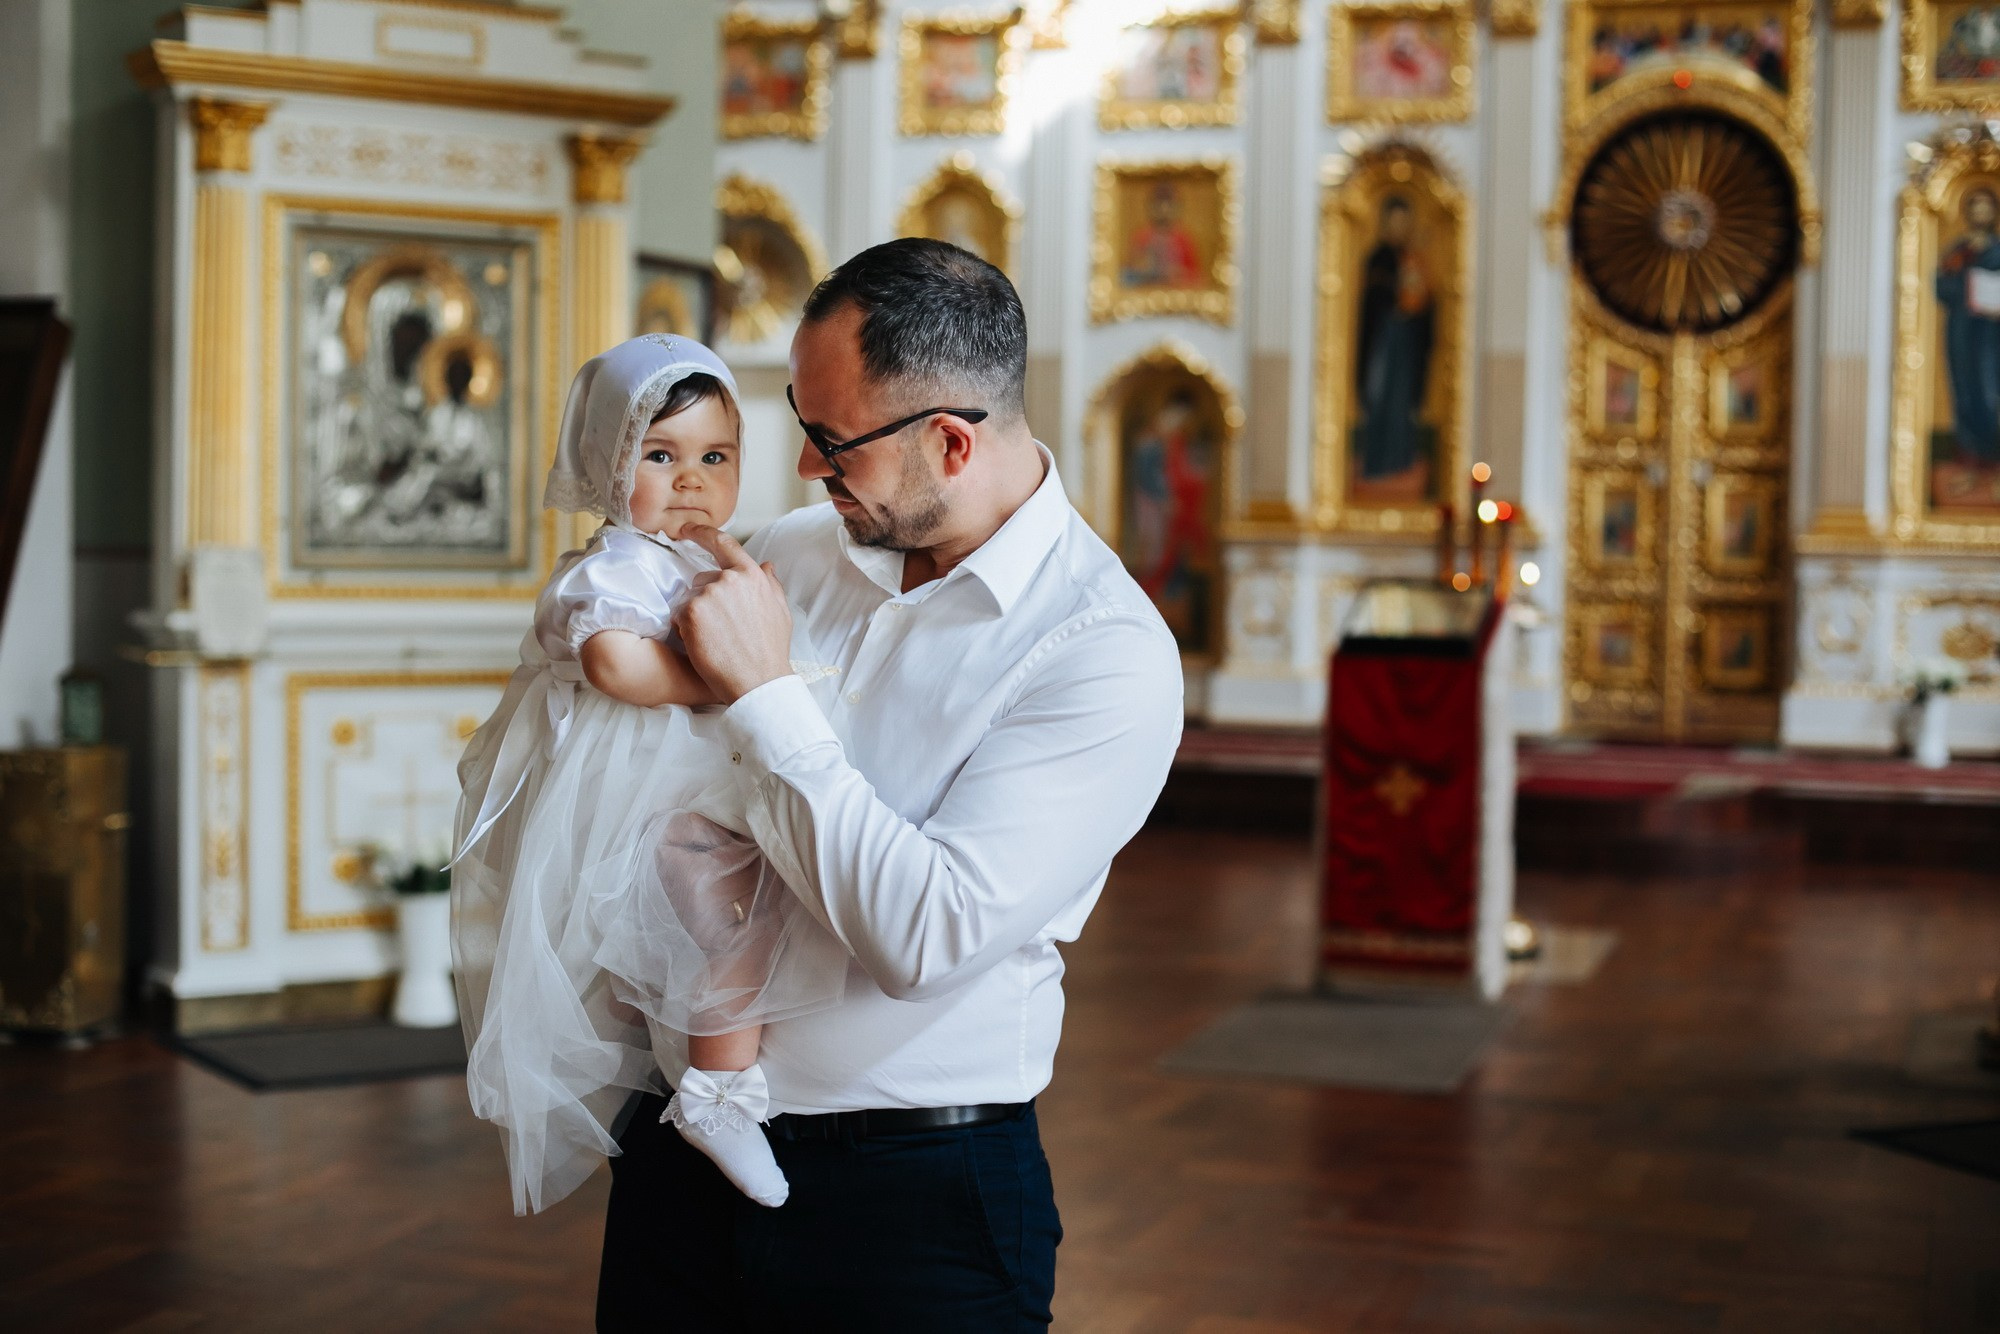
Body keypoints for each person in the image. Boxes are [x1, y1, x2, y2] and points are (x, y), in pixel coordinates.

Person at [595, 239, 1185, 1331]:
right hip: (681, 1150)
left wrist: (766, 693)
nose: (808, 469)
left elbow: (924, 935)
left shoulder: (1103, 653)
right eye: (797, 422)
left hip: (914, 1196)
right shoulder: (792, 550)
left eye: (829, 441)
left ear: (950, 442)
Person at [450, 334, 849, 1216]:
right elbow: (617, 670)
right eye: (660, 458)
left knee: (729, 909)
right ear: (605, 467)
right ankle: (718, 1095)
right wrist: (733, 678)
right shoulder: (612, 567)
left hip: (674, 771)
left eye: (715, 456)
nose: (692, 480)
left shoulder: (691, 556)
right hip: (638, 780)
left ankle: (679, 1036)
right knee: (730, 902)